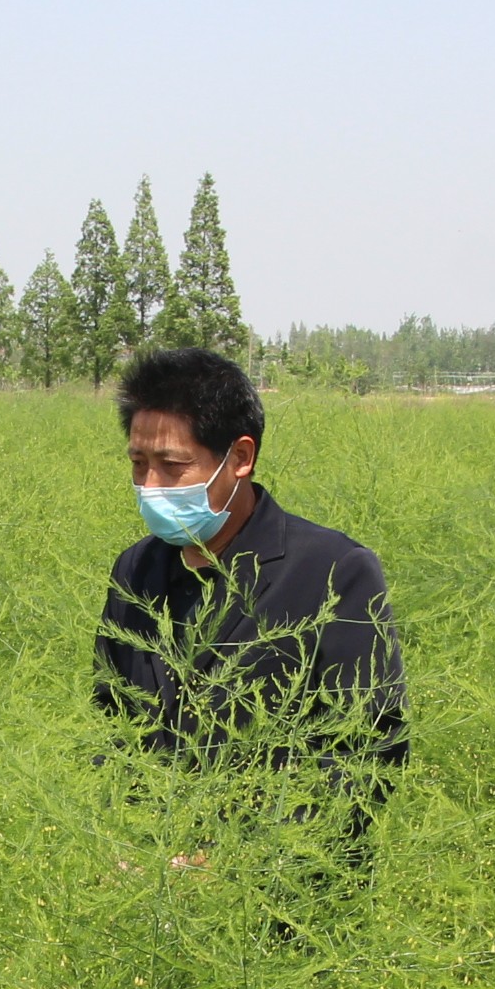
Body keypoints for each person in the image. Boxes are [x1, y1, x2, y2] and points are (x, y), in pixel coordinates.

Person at [93, 347, 406, 852]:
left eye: (173, 466)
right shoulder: (136, 569)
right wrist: (119, 840)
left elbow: (367, 750)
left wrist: (235, 860)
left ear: (239, 458)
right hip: (148, 890)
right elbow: (111, 721)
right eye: (138, 464)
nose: (151, 486)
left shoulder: (333, 571)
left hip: (279, 898)